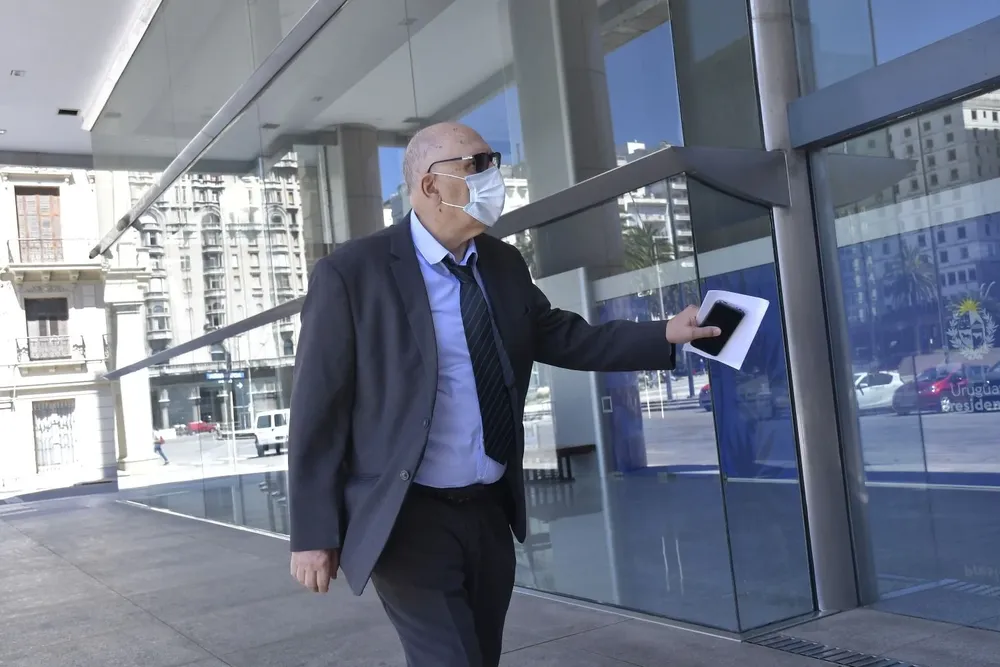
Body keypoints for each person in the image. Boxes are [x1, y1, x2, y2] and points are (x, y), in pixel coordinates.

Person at [288, 121, 720, 667]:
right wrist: (312, 532)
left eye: (493, 161)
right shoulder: (352, 273)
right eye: (476, 165)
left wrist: (663, 333)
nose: (494, 176)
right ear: (429, 186)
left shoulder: (502, 263)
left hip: (489, 509)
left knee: (480, 655)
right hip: (405, 517)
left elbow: (563, 336)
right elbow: (317, 411)